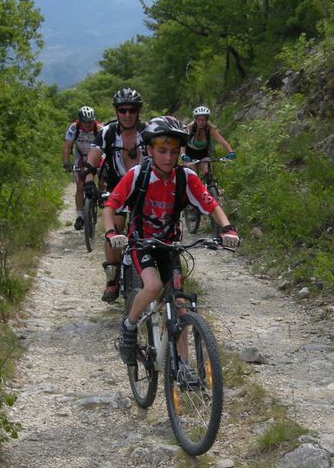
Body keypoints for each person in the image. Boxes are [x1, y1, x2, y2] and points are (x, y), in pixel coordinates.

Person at [102, 116, 240, 366]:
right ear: (150, 150)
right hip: (141, 243)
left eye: (174, 152)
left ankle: (184, 367)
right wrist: (112, 233)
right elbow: (110, 206)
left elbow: (211, 205)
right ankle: (129, 326)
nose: (168, 157)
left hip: (170, 245)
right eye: (162, 151)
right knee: (153, 287)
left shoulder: (186, 177)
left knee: (179, 305)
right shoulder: (137, 175)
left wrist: (228, 229)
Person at [84, 88, 147, 302]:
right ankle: (112, 281)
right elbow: (91, 160)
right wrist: (89, 183)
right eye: (122, 110)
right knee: (114, 230)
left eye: (132, 110)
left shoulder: (148, 132)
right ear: (116, 111)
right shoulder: (107, 133)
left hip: (145, 188)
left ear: (138, 111)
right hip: (117, 188)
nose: (127, 115)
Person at [62, 106, 102, 230]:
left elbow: (107, 146)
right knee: (80, 186)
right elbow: (67, 146)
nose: (88, 124)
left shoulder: (99, 128)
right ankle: (79, 216)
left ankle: (101, 198)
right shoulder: (74, 128)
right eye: (85, 122)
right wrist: (66, 162)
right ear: (80, 120)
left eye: (91, 121)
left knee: (103, 178)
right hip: (81, 157)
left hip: (97, 156)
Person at [185, 105, 233, 179]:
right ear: (195, 119)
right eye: (199, 120)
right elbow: (182, 144)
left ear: (207, 120)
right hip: (189, 156)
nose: (201, 122)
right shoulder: (190, 127)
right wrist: (183, 155)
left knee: (208, 174)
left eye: (203, 120)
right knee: (192, 177)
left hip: (203, 155)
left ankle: (213, 189)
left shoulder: (210, 129)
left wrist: (231, 152)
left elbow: (222, 141)